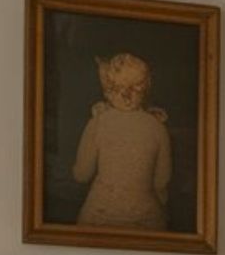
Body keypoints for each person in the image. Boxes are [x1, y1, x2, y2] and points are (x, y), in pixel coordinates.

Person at [72, 52, 171, 232]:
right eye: (119, 89)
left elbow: (81, 174)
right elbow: (162, 183)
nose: (126, 96)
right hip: (147, 220)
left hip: (99, 216)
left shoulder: (98, 122)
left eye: (134, 88)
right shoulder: (158, 127)